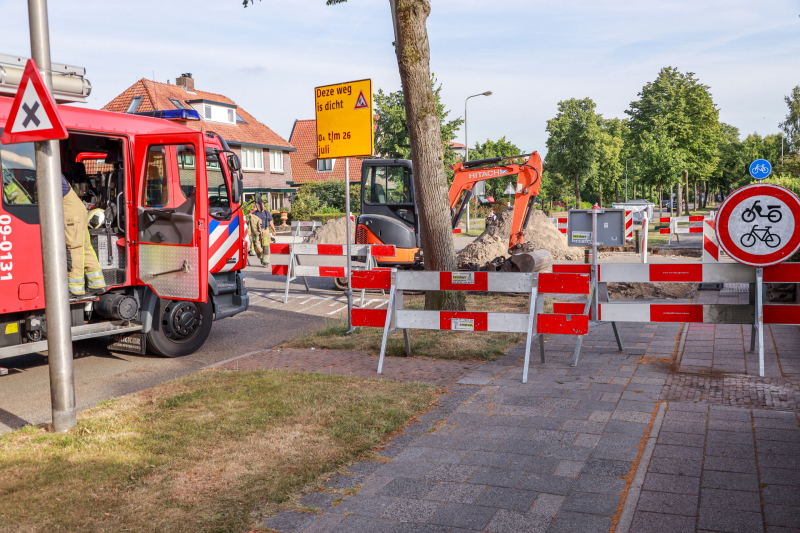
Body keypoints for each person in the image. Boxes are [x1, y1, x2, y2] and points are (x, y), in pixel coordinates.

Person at [62, 174, 106, 297]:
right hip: (77, 212)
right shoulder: (58, 176)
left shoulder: (48, 170)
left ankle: (75, 290)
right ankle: (97, 284)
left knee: (73, 249)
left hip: (70, 215)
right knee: (85, 248)